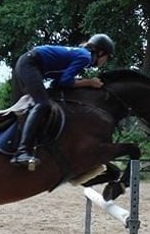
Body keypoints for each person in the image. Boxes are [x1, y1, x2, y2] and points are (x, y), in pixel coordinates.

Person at [10, 33, 115, 168]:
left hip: (30, 63)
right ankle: (22, 151)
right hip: (30, 64)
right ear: (100, 52)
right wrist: (89, 82)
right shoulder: (85, 57)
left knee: (41, 103)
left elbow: (58, 82)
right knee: (43, 104)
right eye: (107, 57)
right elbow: (65, 81)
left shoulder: (81, 54)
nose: (105, 62)